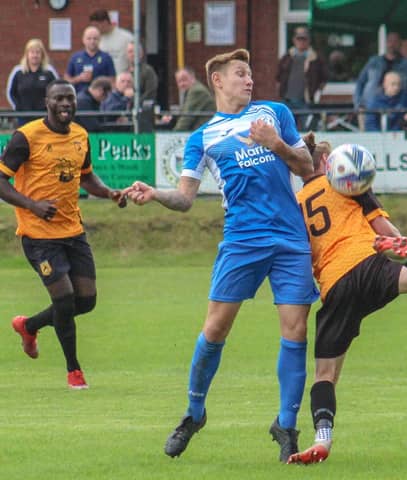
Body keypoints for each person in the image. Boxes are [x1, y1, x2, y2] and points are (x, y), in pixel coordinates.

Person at [122, 48, 318, 462]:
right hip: (242, 240)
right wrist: (155, 193)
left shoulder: (275, 113)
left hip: (289, 238)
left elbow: (308, 168)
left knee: (296, 331)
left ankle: (286, 425)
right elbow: (185, 199)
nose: (249, 81)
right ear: (218, 81)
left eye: (250, 74)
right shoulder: (203, 137)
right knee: (214, 330)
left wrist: (277, 143)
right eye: (241, 74)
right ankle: (194, 413)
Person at [287, 133, 407, 464]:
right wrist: (400, 245)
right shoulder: (347, 185)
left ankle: (322, 439)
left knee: (325, 376)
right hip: (371, 264)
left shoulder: (294, 205)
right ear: (327, 163)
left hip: (335, 285)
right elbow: (387, 233)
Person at [0, 79, 127, 389]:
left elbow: (86, 177)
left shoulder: (81, 136)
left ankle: (28, 326)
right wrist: (31, 204)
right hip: (38, 235)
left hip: (73, 231)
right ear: (47, 102)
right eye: (59, 99)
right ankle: (74, 371)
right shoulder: (26, 137)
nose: (66, 104)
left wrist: (109, 193)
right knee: (65, 298)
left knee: (87, 301)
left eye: (70, 99)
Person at [353, 31, 407, 114]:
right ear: (386, 43)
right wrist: (358, 104)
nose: (392, 44)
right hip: (369, 108)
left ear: (400, 44)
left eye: (395, 41)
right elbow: (360, 82)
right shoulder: (374, 61)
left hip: (396, 110)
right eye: (389, 41)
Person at [276, 26, 328, 130]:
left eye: (304, 39)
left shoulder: (316, 58)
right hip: (287, 100)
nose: (301, 42)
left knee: (308, 129)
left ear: (309, 40)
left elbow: (324, 78)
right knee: (286, 130)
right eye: (299, 39)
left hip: (306, 101)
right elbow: (278, 76)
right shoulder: (287, 57)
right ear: (294, 40)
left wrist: (316, 93)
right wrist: (280, 92)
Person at [6, 38, 58, 126]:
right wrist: (17, 108)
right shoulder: (18, 71)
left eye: (38, 52)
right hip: (23, 117)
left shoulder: (49, 71)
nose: (35, 55)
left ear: (42, 55)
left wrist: (51, 109)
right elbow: (10, 93)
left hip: (44, 117)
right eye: (32, 52)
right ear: (27, 54)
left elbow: (57, 91)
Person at [160, 67, 215, 131]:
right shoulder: (192, 90)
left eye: (184, 79)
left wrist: (174, 134)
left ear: (193, 78)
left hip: (203, 132)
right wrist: (172, 118)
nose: (182, 84)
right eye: (179, 81)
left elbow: (186, 118)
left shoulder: (196, 91)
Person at [64, 26, 116, 94]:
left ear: (100, 40)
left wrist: (98, 80)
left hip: (100, 98)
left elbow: (112, 81)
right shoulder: (75, 57)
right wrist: (79, 78)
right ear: (83, 40)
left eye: (95, 39)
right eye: (89, 38)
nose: (92, 41)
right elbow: (66, 80)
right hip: (79, 96)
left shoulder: (106, 57)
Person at [89, 9, 134, 75]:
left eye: (96, 25)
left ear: (105, 22)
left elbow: (135, 58)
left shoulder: (126, 37)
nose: (95, 29)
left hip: (121, 80)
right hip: (102, 81)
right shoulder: (95, 39)